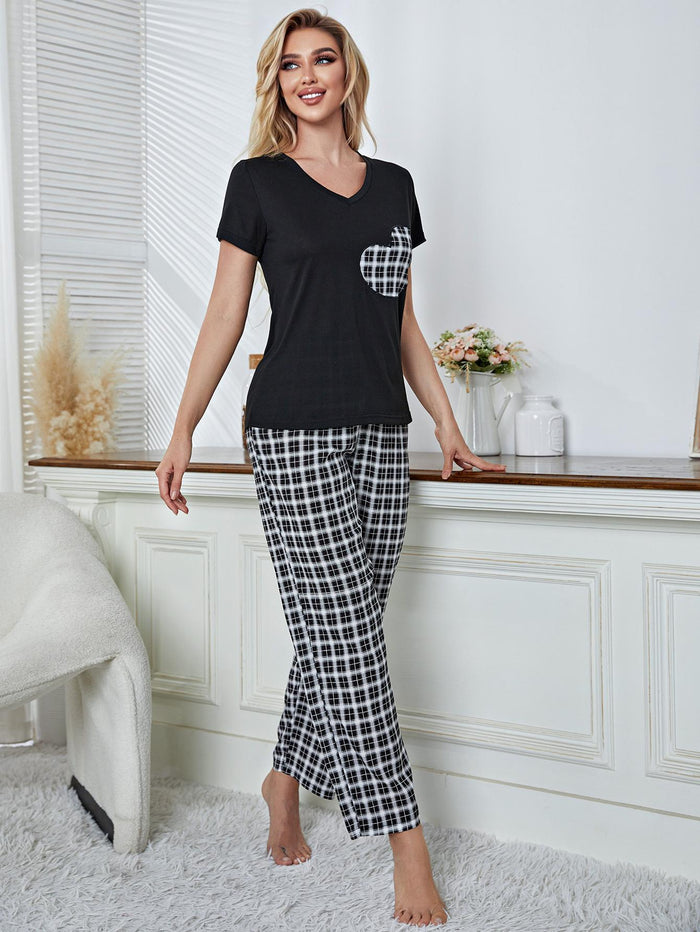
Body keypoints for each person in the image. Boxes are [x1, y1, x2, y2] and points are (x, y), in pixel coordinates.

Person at [155, 8, 507, 927]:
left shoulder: (393, 186)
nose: (308, 76)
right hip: (290, 432)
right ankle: (406, 843)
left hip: (383, 431)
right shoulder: (257, 183)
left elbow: (402, 323)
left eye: (323, 60)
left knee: (341, 629)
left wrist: (446, 423)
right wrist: (182, 426)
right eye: (290, 65)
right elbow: (225, 314)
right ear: (275, 82)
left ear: (348, 74)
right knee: (350, 638)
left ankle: (284, 778)